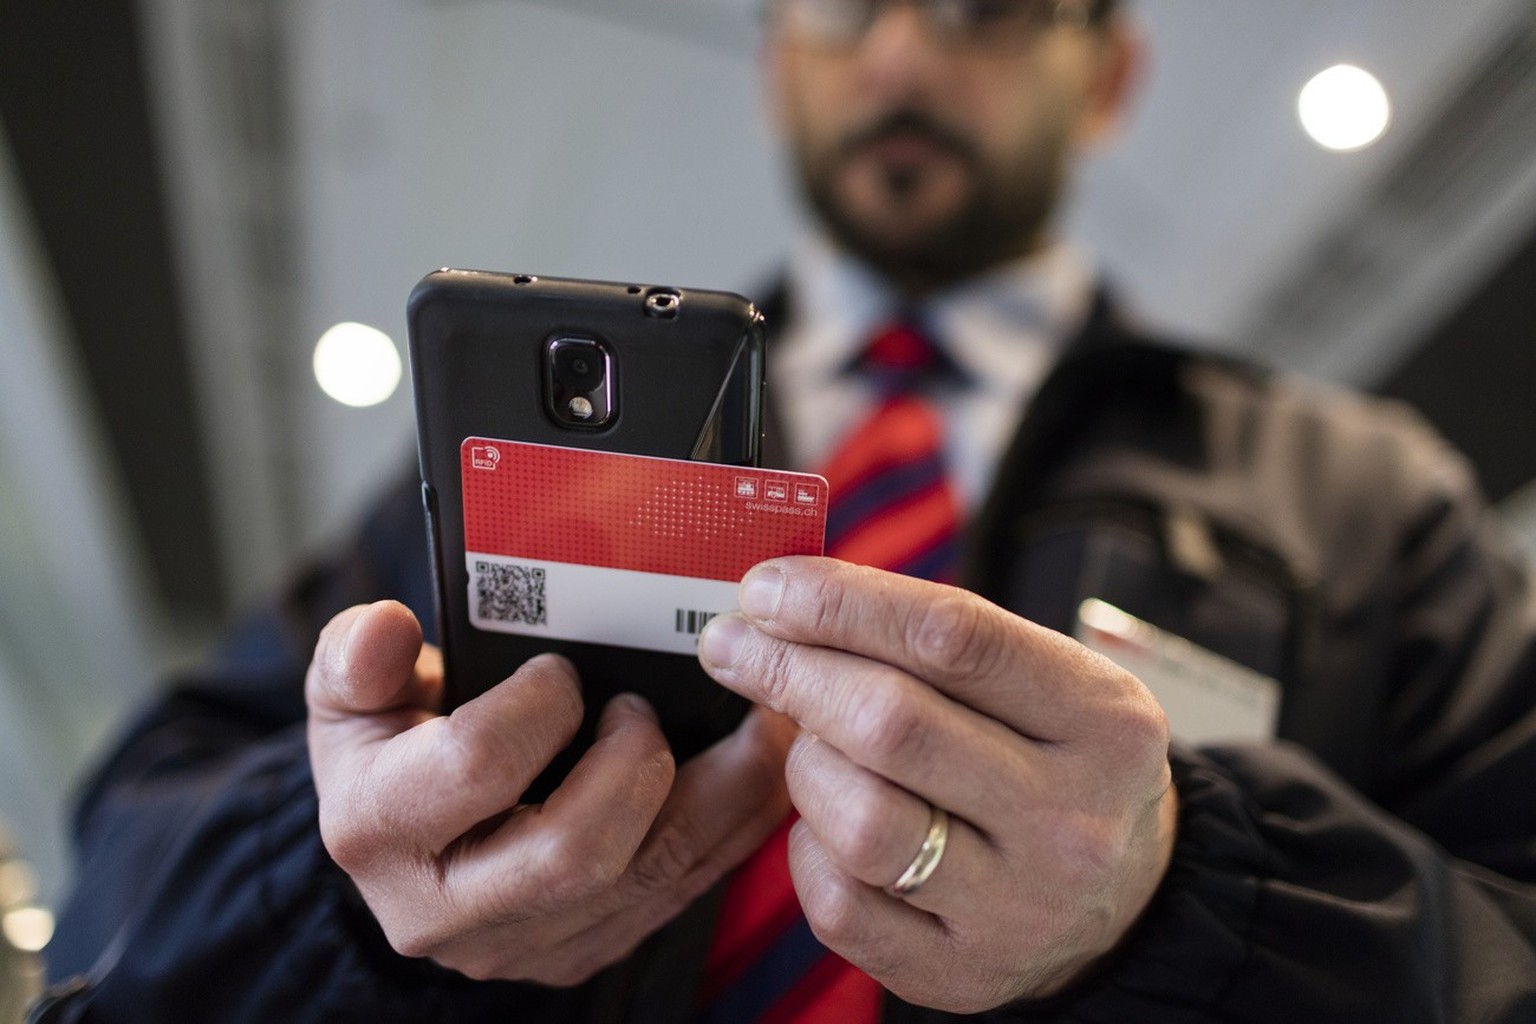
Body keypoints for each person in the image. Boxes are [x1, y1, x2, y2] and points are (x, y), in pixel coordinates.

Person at [40, 0, 1536, 1020]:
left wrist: (1189, 897)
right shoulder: (506, 460)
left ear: (1107, 74)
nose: (900, 56)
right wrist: (347, 879)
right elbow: (135, 836)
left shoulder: (1355, 491)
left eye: (986, 8)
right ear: (774, 59)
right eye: (841, 8)